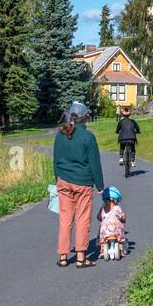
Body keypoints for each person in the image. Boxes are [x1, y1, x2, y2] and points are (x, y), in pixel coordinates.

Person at [52, 101, 105, 268]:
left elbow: (55, 160)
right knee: (82, 218)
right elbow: (94, 162)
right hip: (82, 182)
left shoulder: (60, 135)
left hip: (63, 180)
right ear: (84, 118)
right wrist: (100, 185)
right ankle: (81, 258)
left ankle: (63, 257)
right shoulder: (88, 137)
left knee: (65, 219)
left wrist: (57, 178)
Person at [97, 186, 126, 260]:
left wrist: (103, 220)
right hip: (116, 229)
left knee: (103, 240)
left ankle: (103, 251)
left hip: (105, 229)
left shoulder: (102, 208)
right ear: (116, 200)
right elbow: (122, 216)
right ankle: (121, 250)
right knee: (120, 238)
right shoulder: (117, 208)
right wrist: (123, 219)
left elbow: (98, 217)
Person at [116, 108, 141, 175]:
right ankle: (132, 161)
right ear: (129, 115)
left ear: (123, 115)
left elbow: (117, 129)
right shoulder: (133, 121)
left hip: (123, 138)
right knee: (132, 148)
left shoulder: (121, 122)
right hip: (131, 138)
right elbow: (137, 128)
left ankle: (121, 158)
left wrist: (117, 132)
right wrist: (138, 131)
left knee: (122, 147)